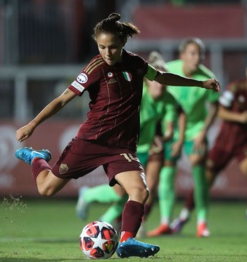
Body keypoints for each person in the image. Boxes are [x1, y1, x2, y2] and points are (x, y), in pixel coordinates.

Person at [14, 13, 219, 259]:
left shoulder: (136, 64)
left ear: (123, 43)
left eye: (112, 47)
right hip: (91, 141)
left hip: (121, 147)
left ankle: (127, 240)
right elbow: (62, 100)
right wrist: (33, 124)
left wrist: (199, 84)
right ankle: (37, 158)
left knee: (140, 191)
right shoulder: (95, 68)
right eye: (102, 47)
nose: (107, 52)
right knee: (46, 189)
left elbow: (162, 77)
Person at [75, 52, 187, 237]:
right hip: (125, 148)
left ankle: (114, 225)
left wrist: (164, 138)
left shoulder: (169, 99)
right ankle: (88, 196)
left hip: (148, 148)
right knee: (120, 194)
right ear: (147, 81)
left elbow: (169, 128)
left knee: (144, 190)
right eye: (156, 80)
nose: (160, 85)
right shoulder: (136, 94)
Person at [172, 55, 247, 235]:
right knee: (204, 182)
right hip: (224, 143)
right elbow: (219, 112)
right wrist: (239, 117)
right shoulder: (235, 89)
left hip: (246, 145)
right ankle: (183, 216)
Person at [148, 38, 219, 238]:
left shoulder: (208, 77)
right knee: (167, 173)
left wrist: (203, 132)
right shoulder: (168, 70)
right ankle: (165, 222)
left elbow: (215, 105)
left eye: (200, 54)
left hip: (195, 131)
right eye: (193, 53)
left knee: (198, 168)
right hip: (171, 129)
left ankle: (202, 223)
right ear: (182, 55)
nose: (197, 58)